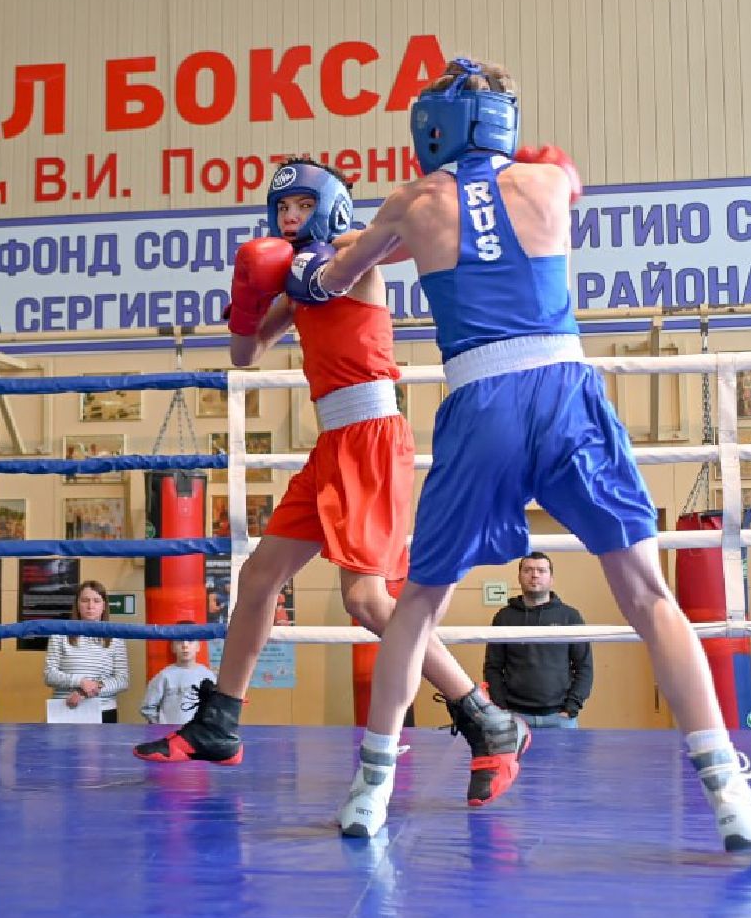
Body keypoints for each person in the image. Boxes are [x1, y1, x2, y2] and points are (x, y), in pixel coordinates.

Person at [305, 57, 751, 850]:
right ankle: (730, 797)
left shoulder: (412, 201)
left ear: (431, 127)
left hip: (480, 401)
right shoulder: (547, 182)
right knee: (647, 594)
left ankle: (369, 793)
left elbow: (334, 280)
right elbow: (552, 194)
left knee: (419, 603)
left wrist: (314, 258)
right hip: (565, 391)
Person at [135, 157, 524, 810]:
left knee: (368, 601)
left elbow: (383, 248)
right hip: (331, 444)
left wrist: (312, 262)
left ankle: (486, 718)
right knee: (258, 577)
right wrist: (248, 301)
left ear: (329, 207)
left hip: (371, 439)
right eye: (281, 209)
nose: (290, 218)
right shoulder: (292, 280)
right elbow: (243, 355)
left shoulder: (351, 253)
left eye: (301, 207)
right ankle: (219, 723)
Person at [484, 553, 592, 729]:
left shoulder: (570, 617)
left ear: (551, 578)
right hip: (514, 717)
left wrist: (571, 708)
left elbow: (584, 666)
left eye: (541, 570)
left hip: (560, 718)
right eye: (528, 570)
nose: (534, 575)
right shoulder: (504, 617)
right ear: (519, 577)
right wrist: (502, 708)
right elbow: (493, 667)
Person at [44, 580, 130, 723]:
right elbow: (49, 675)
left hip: (103, 710)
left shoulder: (115, 637)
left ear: (104, 606)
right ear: (77, 604)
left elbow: (122, 680)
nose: (90, 606)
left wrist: (88, 690)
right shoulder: (59, 634)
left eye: (96, 601)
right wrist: (80, 681)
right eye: (85, 600)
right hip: (65, 708)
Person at [140, 630, 217, 726]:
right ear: (172, 647)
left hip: (198, 732)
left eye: (190, 640)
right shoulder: (164, 676)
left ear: (198, 646)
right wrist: (161, 726)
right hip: (170, 732)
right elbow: (147, 707)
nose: (185, 645)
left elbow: (216, 707)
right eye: (180, 641)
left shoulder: (208, 675)